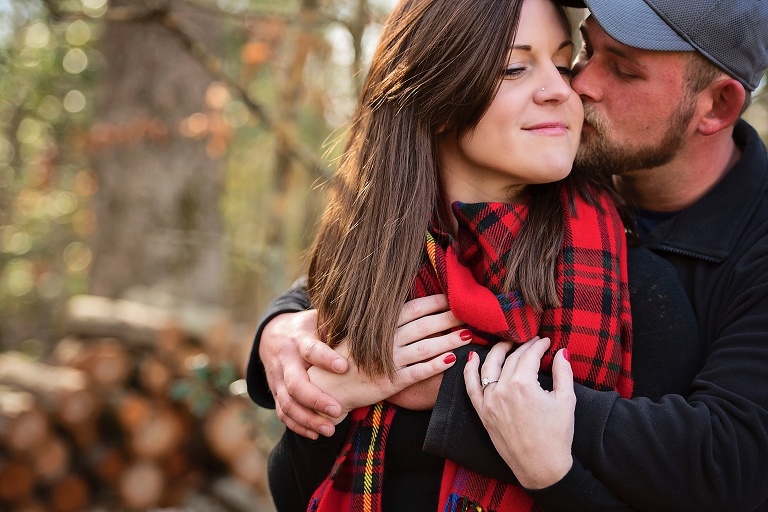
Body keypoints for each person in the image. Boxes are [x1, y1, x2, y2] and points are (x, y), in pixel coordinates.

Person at [250, 0, 768, 510]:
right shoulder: (404, 246)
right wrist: (288, 335)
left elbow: (728, 465)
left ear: (717, 106)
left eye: (624, 70)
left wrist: (454, 382)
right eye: (584, 53)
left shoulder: (639, 281)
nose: (575, 85)